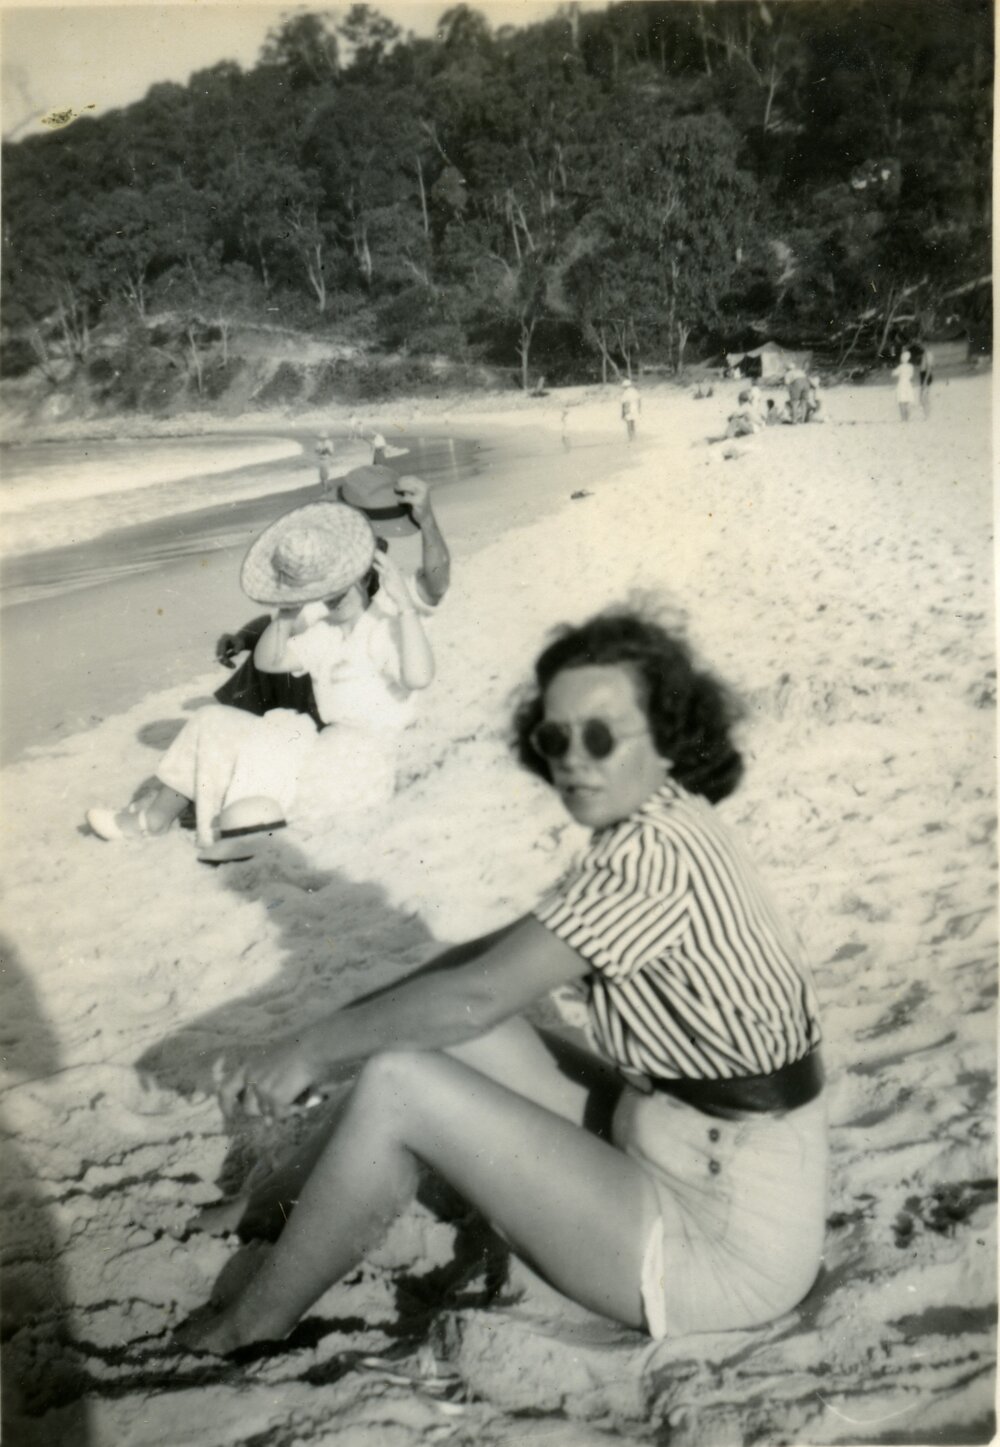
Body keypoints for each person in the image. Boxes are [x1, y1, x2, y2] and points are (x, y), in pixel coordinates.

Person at [176, 609, 827, 1354]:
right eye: (557, 736)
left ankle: (250, 1324)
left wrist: (311, 1054)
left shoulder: (651, 859)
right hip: (690, 1151)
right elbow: (479, 969)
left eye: (604, 734)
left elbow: (474, 996)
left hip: (715, 1246)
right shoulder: (662, 820)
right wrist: (317, 1040)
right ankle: (272, 1204)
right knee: (433, 1027)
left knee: (400, 1080)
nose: (575, 760)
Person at [86, 504, 434, 849]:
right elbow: (269, 660)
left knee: (246, 790)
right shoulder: (326, 634)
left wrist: (405, 606)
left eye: (343, 588)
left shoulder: (385, 629)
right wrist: (287, 610)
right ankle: (155, 819)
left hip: (355, 768)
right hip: (321, 753)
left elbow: (418, 677)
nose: (335, 600)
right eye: (326, 593)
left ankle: (162, 812)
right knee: (210, 720)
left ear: (365, 577)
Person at [215, 466, 450, 718]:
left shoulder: (392, 594)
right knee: (267, 655)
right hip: (321, 686)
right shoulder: (326, 586)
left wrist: (426, 521)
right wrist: (243, 638)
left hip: (353, 706)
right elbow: (281, 624)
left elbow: (437, 585)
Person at [892, 349, 915, 422]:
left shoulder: (900, 366)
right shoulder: (911, 366)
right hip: (908, 384)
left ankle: (903, 418)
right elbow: (911, 375)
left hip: (901, 383)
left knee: (901, 401)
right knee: (907, 401)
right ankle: (907, 418)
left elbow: (894, 374)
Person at [620, 377, 640, 443]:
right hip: (635, 407)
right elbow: (639, 400)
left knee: (628, 423)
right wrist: (639, 409)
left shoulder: (625, 393)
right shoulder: (635, 391)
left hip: (628, 407)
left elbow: (624, 403)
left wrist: (623, 413)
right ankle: (634, 436)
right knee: (633, 423)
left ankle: (630, 438)